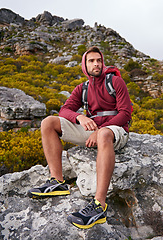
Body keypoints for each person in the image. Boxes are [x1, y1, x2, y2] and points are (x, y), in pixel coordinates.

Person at [27, 46, 132, 229]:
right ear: (85, 65)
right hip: (92, 131)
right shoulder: (82, 88)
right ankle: (58, 182)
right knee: (48, 123)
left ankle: (99, 205)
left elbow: (126, 112)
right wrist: (80, 117)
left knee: (105, 134)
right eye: (91, 61)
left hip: (115, 130)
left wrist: (100, 131)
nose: (96, 64)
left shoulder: (115, 82)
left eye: (99, 60)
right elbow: (64, 110)